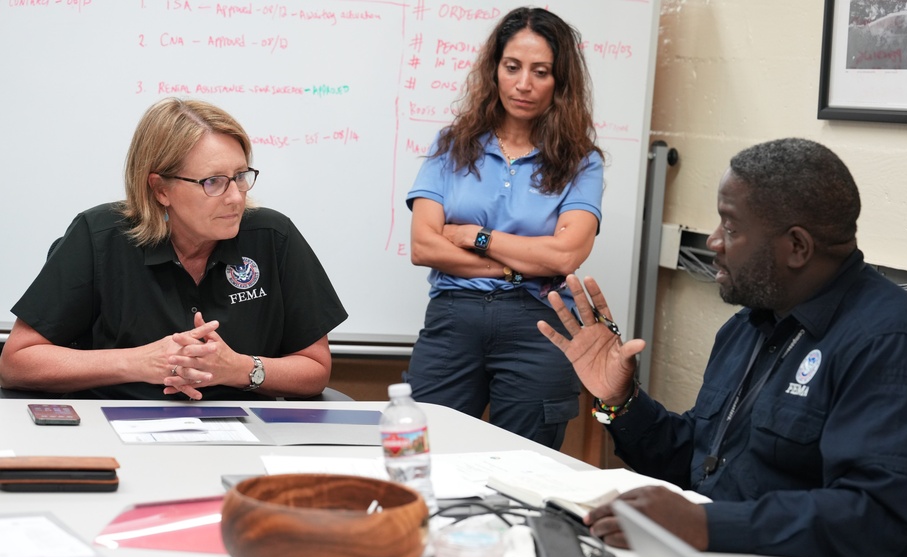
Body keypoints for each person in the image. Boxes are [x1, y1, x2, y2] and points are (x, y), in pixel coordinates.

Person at [538, 138, 907, 557]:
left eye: (731, 226)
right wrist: (618, 404)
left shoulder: (891, 348)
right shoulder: (751, 324)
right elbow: (701, 463)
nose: (714, 242)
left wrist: (704, 525)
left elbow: (871, 519)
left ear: (796, 246)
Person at [0, 98, 347, 401]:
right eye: (213, 182)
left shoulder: (273, 236)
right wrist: (138, 362)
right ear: (160, 189)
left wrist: (239, 369)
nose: (235, 196)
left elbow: (314, 368)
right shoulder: (99, 237)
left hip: (244, 429)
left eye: (240, 175)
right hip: (115, 423)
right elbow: (17, 362)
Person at [405, 7, 604, 449]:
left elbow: (565, 255)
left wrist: (478, 238)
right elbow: (424, 245)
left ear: (561, 81)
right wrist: (515, 267)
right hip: (454, 320)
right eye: (512, 67)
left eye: (541, 71)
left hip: (539, 327)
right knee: (425, 454)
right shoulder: (452, 145)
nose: (524, 84)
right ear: (495, 69)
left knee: (524, 467)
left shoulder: (581, 162)